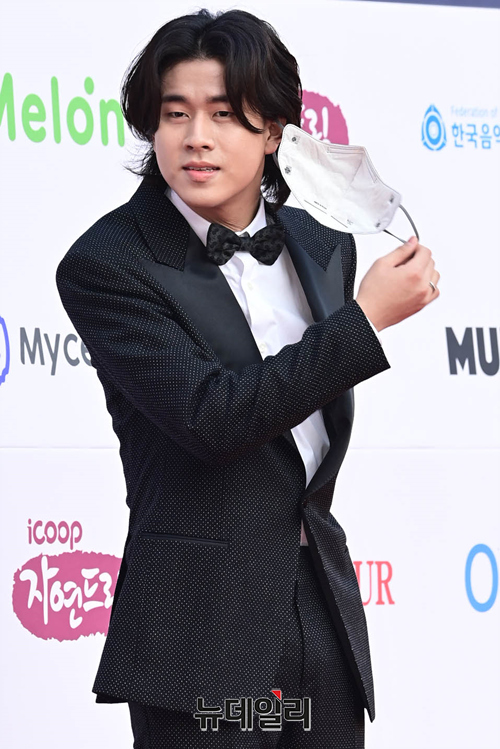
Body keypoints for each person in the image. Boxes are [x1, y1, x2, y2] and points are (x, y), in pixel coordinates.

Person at [55, 8, 440, 748]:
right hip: (203, 634)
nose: (196, 136)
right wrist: (362, 324)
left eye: (225, 114)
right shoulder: (110, 262)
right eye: (176, 113)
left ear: (273, 132)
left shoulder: (322, 244)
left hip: (319, 618)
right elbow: (213, 418)